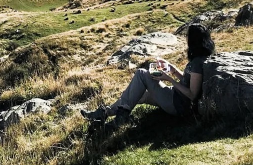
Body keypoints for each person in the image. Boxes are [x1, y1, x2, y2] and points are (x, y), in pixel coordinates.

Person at [81, 24, 216, 130]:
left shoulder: (198, 63)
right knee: (138, 94)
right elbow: (188, 82)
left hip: (178, 104)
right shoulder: (199, 58)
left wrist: (168, 79)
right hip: (176, 97)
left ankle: (118, 120)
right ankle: (104, 114)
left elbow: (192, 94)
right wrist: (172, 69)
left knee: (141, 74)